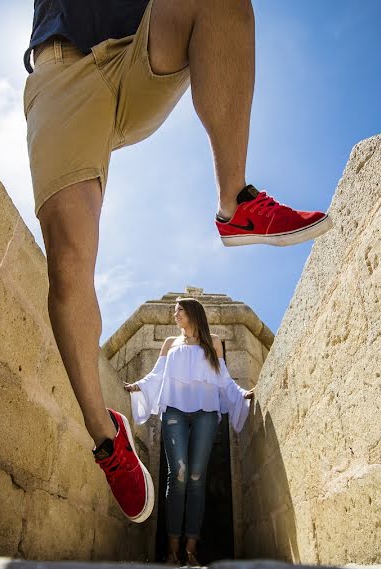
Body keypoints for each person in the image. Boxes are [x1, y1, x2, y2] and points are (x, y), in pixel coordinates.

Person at [23, 0, 331, 525]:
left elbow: (222, 383)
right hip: (63, 70)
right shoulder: (175, 345)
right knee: (69, 262)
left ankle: (236, 203)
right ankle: (107, 440)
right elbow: (161, 377)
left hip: (137, 51)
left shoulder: (204, 346)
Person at [124, 298, 253, 566]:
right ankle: (172, 549)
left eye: (179, 310)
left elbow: (225, 380)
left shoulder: (213, 342)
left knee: (196, 476)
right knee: (178, 475)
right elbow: (156, 375)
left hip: (206, 411)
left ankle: (191, 549)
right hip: (174, 411)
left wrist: (242, 394)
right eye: (174, 311)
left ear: (193, 313)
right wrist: (137, 387)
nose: (175, 315)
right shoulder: (171, 343)